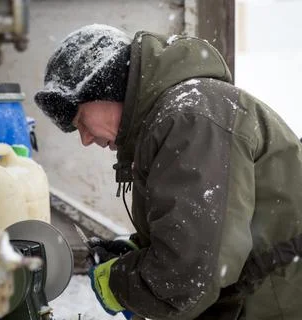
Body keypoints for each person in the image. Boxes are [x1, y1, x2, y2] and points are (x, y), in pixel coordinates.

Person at [34, 24, 302, 320]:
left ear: (105, 88)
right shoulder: (179, 115)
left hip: (275, 304)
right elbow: (210, 232)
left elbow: (186, 278)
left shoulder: (190, 119)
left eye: (81, 120)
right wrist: (136, 251)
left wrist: (116, 282)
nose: (85, 139)